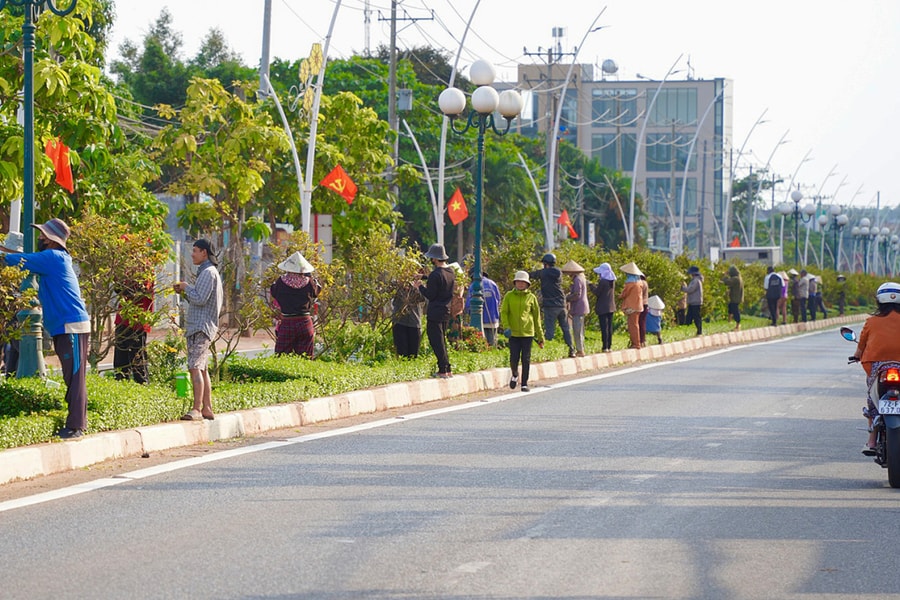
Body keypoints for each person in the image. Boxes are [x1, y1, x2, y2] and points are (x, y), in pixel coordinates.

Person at [1, 218, 90, 439]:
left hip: (72, 326)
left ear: (52, 239)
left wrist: (4, 254)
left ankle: (77, 426)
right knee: (71, 377)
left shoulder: (52, 257)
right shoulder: (55, 258)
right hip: (65, 325)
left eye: (43, 235)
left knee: (75, 378)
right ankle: (74, 423)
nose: (40, 238)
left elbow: (16, 260)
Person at [173, 239, 223, 421]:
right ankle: (207, 408)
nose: (192, 254)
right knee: (202, 369)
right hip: (202, 325)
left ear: (204, 253)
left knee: (194, 367)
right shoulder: (208, 272)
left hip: (200, 327)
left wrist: (187, 288)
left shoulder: (208, 273)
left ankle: (196, 409)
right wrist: (185, 292)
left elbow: (201, 298)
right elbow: (200, 299)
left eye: (195, 250)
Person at [850, 282, 900, 455]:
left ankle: (871, 441)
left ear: (879, 301)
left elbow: (862, 344)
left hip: (878, 366)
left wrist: (857, 355)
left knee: (873, 398)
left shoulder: (871, 321)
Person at [269, 251, 321, 357]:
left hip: (287, 322)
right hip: (305, 322)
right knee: (305, 357)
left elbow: (273, 292)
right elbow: (317, 291)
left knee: (281, 356)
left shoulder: (280, 282)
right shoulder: (309, 282)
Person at [500, 271, 544, 392]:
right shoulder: (509, 296)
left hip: (527, 333)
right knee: (514, 358)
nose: (520, 284)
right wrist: (506, 326)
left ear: (527, 284)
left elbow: (536, 318)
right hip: (513, 333)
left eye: (523, 282)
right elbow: (504, 312)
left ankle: (524, 383)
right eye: (518, 282)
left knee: (526, 358)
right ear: (515, 283)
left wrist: (540, 337)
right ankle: (515, 374)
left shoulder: (531, 298)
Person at [418, 244, 455, 378]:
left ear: (434, 259)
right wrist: (425, 278)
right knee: (442, 340)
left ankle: (442, 369)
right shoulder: (450, 272)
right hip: (446, 310)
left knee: (436, 341)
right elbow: (440, 281)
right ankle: (447, 368)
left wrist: (420, 287)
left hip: (434, 312)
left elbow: (431, 295)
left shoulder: (435, 275)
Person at [530, 253, 576, 358]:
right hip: (561, 304)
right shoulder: (558, 272)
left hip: (551, 306)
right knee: (566, 329)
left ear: (545, 264)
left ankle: (547, 352)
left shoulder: (544, 273)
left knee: (550, 330)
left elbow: (533, 274)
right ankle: (571, 349)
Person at [113, 271, 153, 384]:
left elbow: (140, 291)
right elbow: (118, 288)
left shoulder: (144, 267)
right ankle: (121, 390)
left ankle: (143, 390)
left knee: (138, 365)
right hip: (122, 319)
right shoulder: (124, 266)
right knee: (120, 365)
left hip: (138, 321)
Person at [465, 270, 501, 347]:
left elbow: (468, 304)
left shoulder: (473, 286)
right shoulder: (493, 284)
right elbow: (498, 300)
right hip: (493, 318)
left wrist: (469, 314)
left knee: (481, 344)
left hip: (478, 319)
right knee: (492, 343)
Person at [392, 279, 425, 359]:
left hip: (414, 322)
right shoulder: (396, 284)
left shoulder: (419, 284)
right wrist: (400, 286)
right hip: (399, 321)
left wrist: (416, 288)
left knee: (413, 354)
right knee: (401, 353)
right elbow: (389, 294)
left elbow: (423, 298)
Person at [562, 260, 588, 357]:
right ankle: (581, 348)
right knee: (580, 329)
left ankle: (580, 350)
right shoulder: (580, 278)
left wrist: (567, 298)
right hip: (580, 307)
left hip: (579, 307)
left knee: (577, 330)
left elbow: (577, 294)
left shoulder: (577, 280)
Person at [590, 263, 617, 352]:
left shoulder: (603, 281)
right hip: (611, 307)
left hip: (603, 307)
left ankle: (604, 346)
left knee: (604, 327)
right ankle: (609, 346)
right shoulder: (612, 281)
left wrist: (591, 285)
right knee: (609, 327)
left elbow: (597, 292)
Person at [619, 262, 644, 349]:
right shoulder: (639, 282)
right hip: (638, 306)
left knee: (632, 325)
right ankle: (636, 342)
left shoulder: (630, 283)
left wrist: (619, 296)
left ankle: (636, 343)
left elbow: (624, 294)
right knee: (635, 324)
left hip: (632, 306)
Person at [682, 265, 704, 335]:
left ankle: (699, 331)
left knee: (696, 317)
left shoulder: (696, 281)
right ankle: (688, 330)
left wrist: (683, 288)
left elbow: (690, 289)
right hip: (693, 302)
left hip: (695, 302)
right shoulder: (696, 280)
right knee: (689, 317)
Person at [721, 265, 744, 331]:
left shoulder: (736, 279)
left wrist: (725, 275)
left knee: (735, 311)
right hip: (735, 297)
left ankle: (738, 325)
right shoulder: (739, 278)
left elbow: (726, 282)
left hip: (735, 298)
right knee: (730, 308)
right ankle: (729, 322)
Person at [638, 274, 650, 347]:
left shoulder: (641, 283)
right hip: (645, 303)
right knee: (643, 322)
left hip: (641, 303)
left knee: (640, 322)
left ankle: (641, 339)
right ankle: (643, 340)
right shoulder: (645, 283)